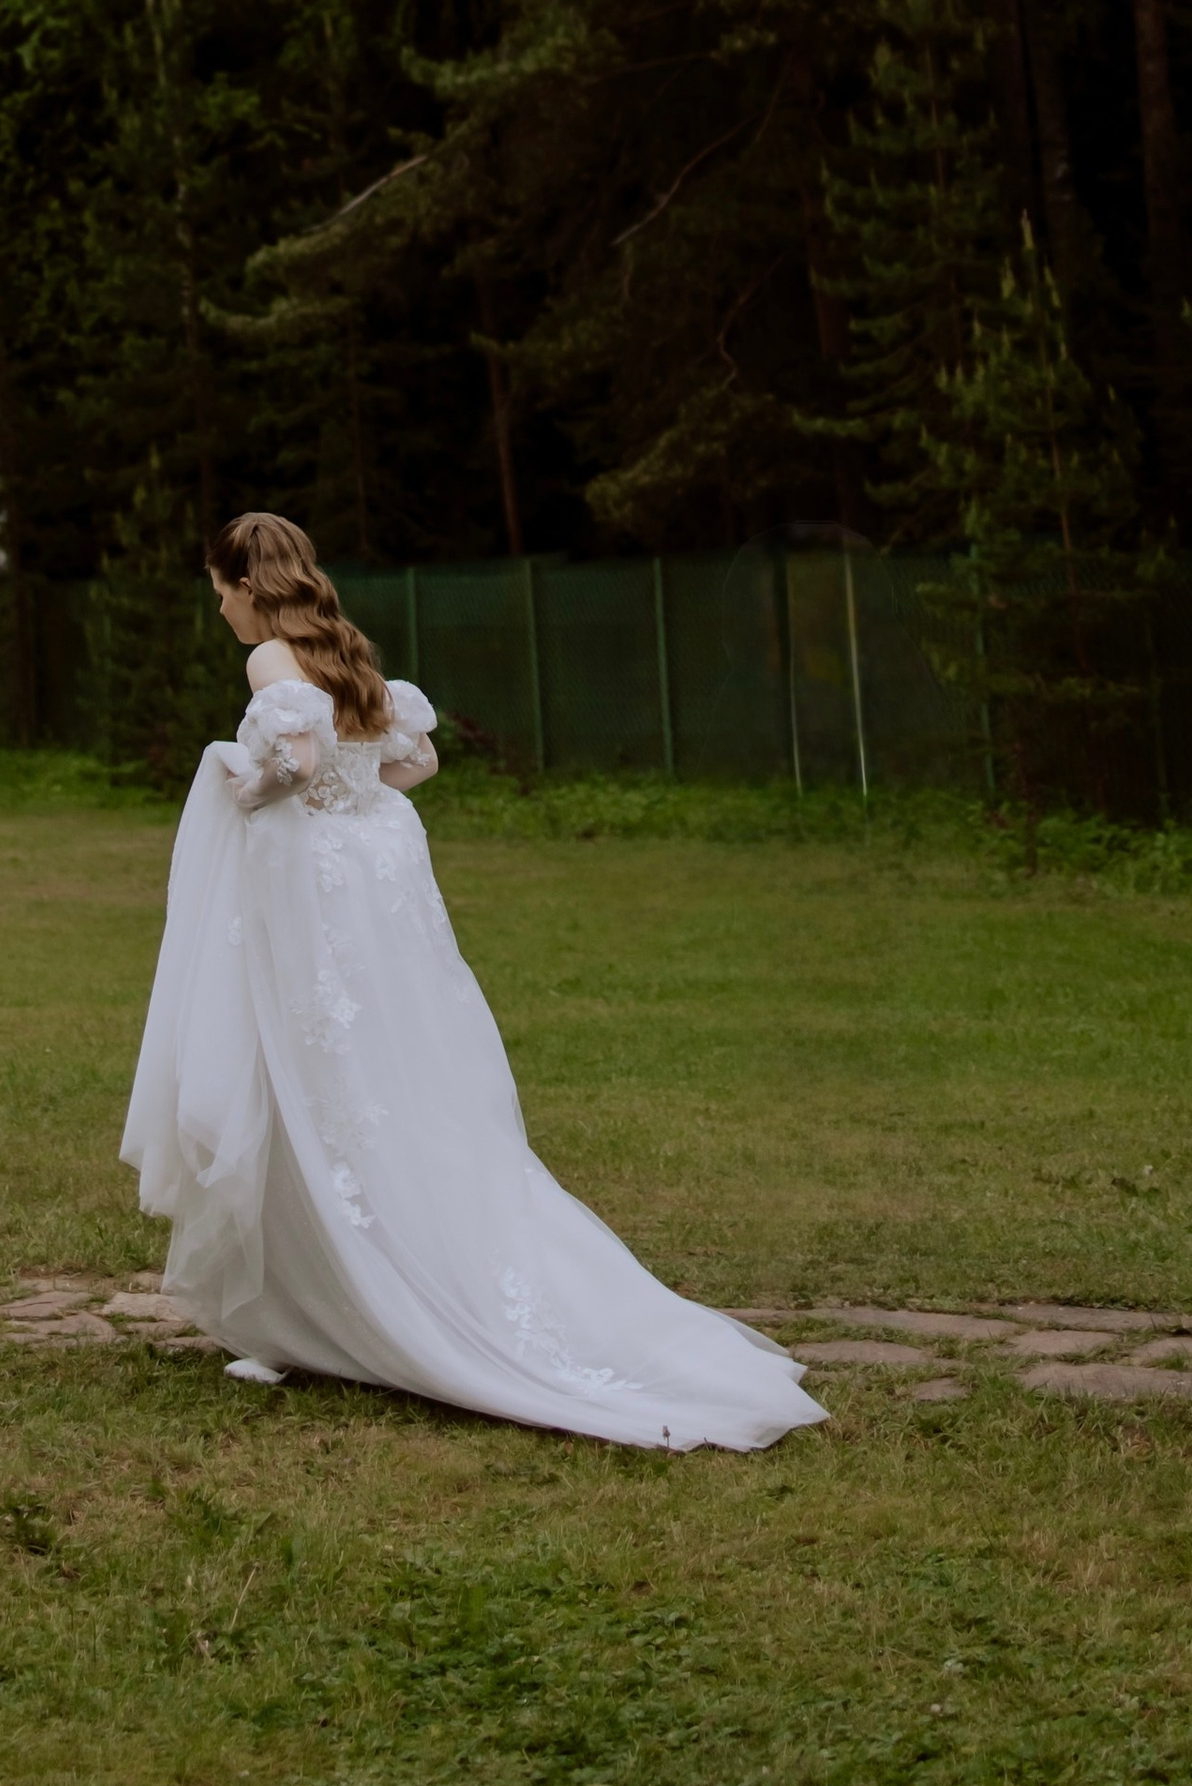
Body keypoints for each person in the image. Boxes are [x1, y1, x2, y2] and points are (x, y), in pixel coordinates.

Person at [121, 507, 825, 1452]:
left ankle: (340, 1309)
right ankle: (302, 1312)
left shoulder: (269, 663)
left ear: (248, 586)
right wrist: (344, 795)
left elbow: (293, 764)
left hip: (317, 913)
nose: (220, 613)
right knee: (381, 1091)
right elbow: (414, 762)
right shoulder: (345, 653)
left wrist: (234, 780)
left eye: (219, 595)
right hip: (373, 903)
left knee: (314, 1088)